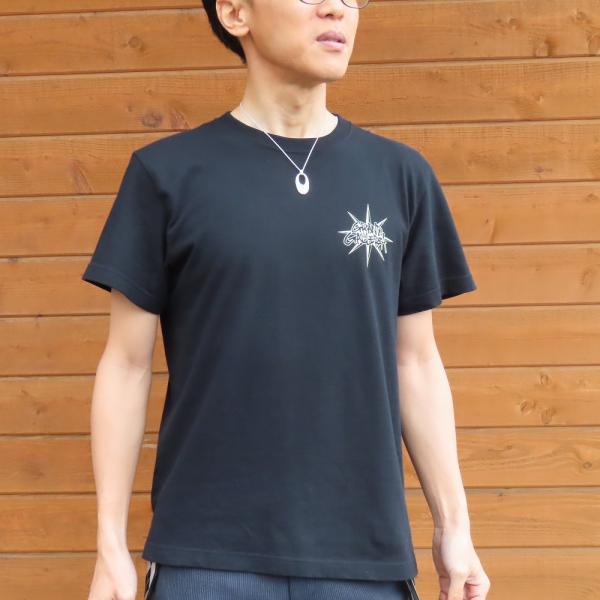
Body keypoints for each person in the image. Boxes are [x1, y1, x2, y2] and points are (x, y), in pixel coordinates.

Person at [84, 0, 491, 599]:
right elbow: (125, 365)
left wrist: (454, 525)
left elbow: (416, 361)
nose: (337, 8)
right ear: (236, 13)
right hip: (206, 558)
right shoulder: (166, 175)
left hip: (364, 562)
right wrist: (109, 546)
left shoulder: (399, 176)